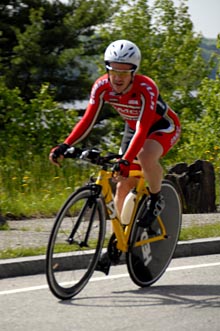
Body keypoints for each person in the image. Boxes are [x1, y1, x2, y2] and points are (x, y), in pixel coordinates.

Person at [49, 39, 181, 227]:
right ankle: (120, 239)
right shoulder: (102, 86)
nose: (118, 78)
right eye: (113, 71)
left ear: (133, 72)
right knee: (122, 182)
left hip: (162, 126)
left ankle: (155, 198)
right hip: (133, 128)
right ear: (107, 69)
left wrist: (127, 159)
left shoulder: (146, 87)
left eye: (124, 72)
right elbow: (87, 120)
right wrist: (65, 145)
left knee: (145, 156)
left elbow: (143, 129)